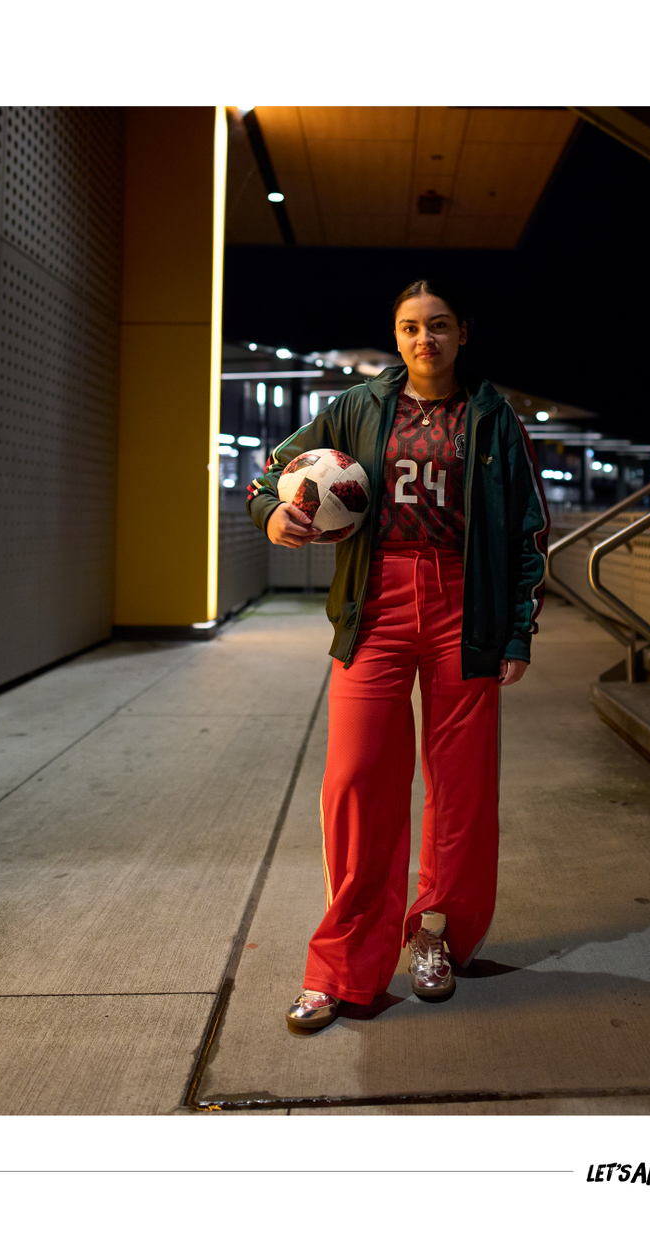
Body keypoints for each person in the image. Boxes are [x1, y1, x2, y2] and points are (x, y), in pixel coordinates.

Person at [247, 279, 547, 1037]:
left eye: (440, 326)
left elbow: (525, 531)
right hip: (376, 604)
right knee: (356, 781)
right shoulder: (356, 407)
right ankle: (339, 969)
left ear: (462, 333)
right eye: (411, 327)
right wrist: (273, 513)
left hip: (462, 608)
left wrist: (515, 630)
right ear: (396, 334)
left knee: (461, 789)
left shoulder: (493, 418)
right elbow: (270, 473)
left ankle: (434, 937)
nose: (425, 340)